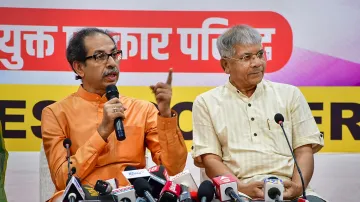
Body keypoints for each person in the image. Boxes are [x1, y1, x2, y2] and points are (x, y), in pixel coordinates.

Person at [41, 27, 187, 201]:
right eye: (100, 56)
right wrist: (102, 133)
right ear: (79, 67)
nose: (111, 63)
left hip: (134, 195)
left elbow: (174, 169)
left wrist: (164, 115)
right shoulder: (56, 113)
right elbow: (63, 179)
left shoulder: (142, 109)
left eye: (114, 54)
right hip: (87, 196)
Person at [191, 25, 325, 202]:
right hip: (238, 193)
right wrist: (241, 187)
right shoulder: (206, 102)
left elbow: (304, 150)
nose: (257, 63)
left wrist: (297, 187)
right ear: (225, 65)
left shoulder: (289, 94)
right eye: (246, 57)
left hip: (288, 189)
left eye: (260, 54)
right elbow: (210, 159)